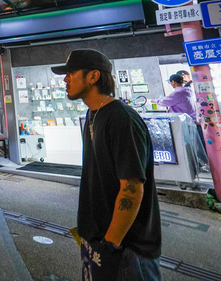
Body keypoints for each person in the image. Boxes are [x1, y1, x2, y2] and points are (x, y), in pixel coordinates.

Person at [50, 49, 161, 280]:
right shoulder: (93, 115)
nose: (65, 79)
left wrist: (112, 242)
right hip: (98, 243)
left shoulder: (121, 119)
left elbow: (132, 186)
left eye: (71, 73)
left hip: (126, 250)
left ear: (93, 77)